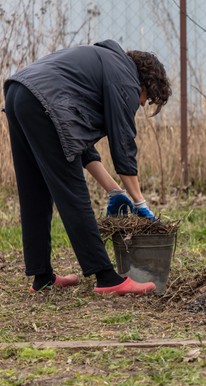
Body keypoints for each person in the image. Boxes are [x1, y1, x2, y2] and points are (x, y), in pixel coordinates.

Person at [3, 39, 172, 295]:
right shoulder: (125, 79)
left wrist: (114, 190)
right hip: (42, 101)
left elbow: (77, 142)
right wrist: (140, 203)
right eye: (146, 99)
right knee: (74, 195)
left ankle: (42, 277)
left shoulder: (103, 66)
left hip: (19, 93)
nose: (140, 104)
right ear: (146, 82)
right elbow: (123, 145)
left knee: (34, 191)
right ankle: (107, 278)